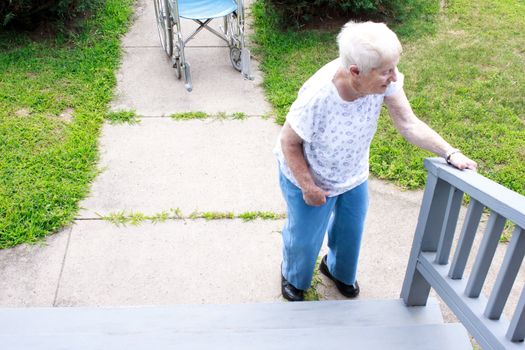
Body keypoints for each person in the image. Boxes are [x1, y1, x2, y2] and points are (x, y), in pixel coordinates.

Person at [274, 21, 477, 302]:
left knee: (350, 233)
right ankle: (293, 276)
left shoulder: (381, 81)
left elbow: (408, 123)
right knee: (305, 240)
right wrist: (308, 187)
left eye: (394, 68)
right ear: (355, 71)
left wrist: (449, 152)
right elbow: (289, 142)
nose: (394, 78)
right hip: (309, 175)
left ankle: (336, 271)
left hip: (352, 173)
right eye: (386, 72)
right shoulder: (318, 97)